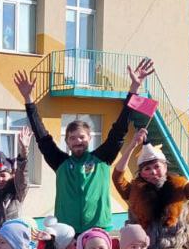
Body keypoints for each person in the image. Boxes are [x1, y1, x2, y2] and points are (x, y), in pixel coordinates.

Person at [12, 58, 155, 232]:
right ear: (67, 142)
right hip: (67, 232)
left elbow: (119, 130)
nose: (77, 141)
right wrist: (28, 99)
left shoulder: (102, 159)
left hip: (98, 231)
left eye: (81, 137)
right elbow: (42, 137)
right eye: (72, 138)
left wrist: (134, 89)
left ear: (89, 138)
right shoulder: (60, 163)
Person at [0, 128, 34, 227]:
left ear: (11, 174)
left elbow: (22, 175)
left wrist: (23, 153)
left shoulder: (17, 191)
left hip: (13, 233)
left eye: (3, 175)